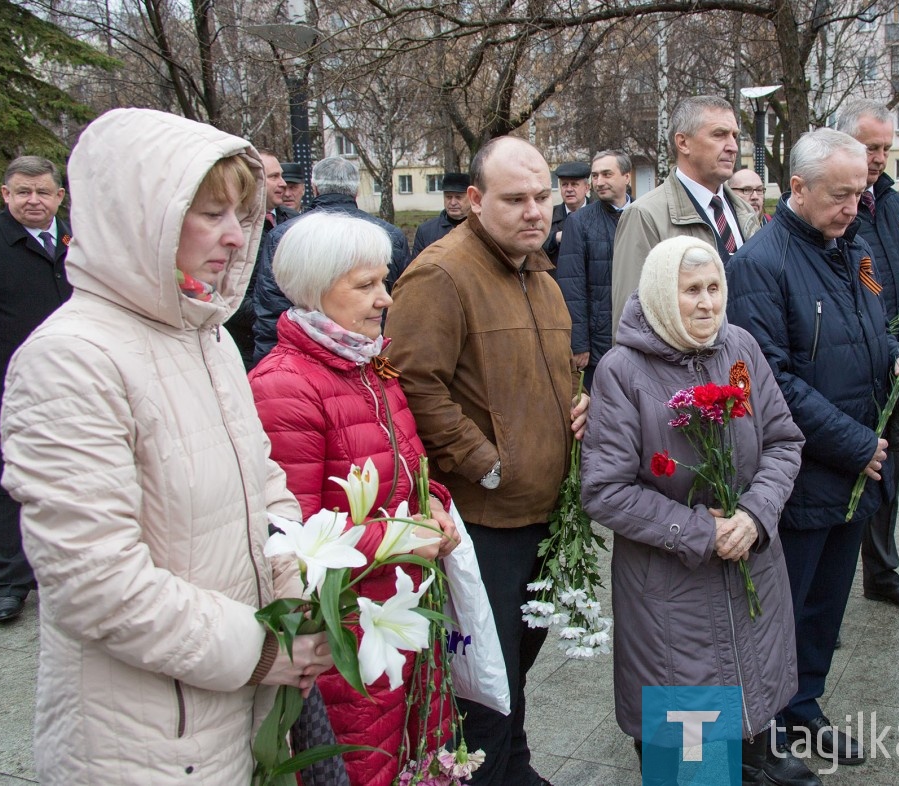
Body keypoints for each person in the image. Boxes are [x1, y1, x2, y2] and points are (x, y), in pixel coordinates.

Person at [0, 108, 333, 785]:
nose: (237, 239)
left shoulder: (203, 335)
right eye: (210, 213)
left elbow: (263, 485)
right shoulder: (71, 360)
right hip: (144, 737)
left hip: (233, 704)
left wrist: (295, 594)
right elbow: (96, 583)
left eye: (243, 215)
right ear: (138, 215)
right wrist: (265, 650)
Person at [384, 136, 589, 786]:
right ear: (474, 201)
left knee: (514, 670)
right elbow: (412, 382)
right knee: (481, 686)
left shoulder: (539, 271)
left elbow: (551, 375)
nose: (535, 211)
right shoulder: (441, 274)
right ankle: (489, 772)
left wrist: (576, 407)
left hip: (539, 515)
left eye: (542, 197)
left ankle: (513, 769)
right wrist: (484, 461)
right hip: (481, 524)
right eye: (515, 199)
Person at [726, 128, 899, 786]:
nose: (853, 206)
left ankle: (805, 702)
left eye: (861, 192)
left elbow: (871, 328)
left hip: (855, 468)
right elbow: (771, 381)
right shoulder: (762, 263)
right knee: (789, 604)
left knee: (827, 604)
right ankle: (770, 720)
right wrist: (854, 442)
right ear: (799, 188)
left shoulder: (852, 246)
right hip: (805, 473)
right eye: (841, 195)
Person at [249, 211, 461, 786]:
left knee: (400, 759)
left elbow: (405, 463)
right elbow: (293, 535)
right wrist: (399, 536)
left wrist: (435, 502)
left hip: (392, 604)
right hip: (345, 629)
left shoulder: (367, 365)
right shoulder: (286, 386)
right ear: (317, 290)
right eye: (365, 285)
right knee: (360, 763)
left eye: (382, 281)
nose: (385, 298)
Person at [582, 236, 804, 784]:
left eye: (713, 288)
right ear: (660, 294)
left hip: (751, 567)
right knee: (691, 760)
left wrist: (754, 515)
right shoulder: (623, 370)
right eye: (691, 291)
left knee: (751, 701)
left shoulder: (741, 349)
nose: (707, 304)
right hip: (672, 590)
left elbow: (783, 441)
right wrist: (697, 530)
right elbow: (604, 490)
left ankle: (753, 761)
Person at [836, 99, 899, 615]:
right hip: (865, 364)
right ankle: (827, 589)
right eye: (870, 146)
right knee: (860, 473)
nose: (879, 158)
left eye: (884, 149)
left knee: (892, 470)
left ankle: (881, 574)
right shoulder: (843, 207)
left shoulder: (891, 201)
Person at [0, 155, 71, 623]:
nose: (33, 200)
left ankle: (66, 574)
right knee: (7, 481)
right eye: (23, 192)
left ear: (60, 196)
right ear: (6, 195)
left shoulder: (78, 241)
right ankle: (11, 582)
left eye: (43, 192)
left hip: (76, 380)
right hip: (7, 383)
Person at [611, 95, 760, 338]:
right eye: (719, 134)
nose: (733, 146)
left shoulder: (745, 213)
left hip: (746, 367)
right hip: (687, 373)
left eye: (734, 135)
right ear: (683, 143)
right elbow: (632, 326)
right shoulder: (645, 216)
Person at [252, 156, 409, 363]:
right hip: (371, 358)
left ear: (314, 188)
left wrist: (267, 363)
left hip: (304, 361)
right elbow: (403, 304)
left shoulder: (284, 235)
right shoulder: (390, 235)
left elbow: (271, 311)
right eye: (366, 284)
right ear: (356, 191)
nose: (383, 298)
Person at [556, 149, 632, 391]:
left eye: (607, 174)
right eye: (595, 176)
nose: (599, 182)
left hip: (640, 334)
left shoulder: (644, 216)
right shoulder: (579, 222)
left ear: (627, 177)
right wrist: (579, 344)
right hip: (600, 340)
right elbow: (572, 286)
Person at [223, 150, 298, 370]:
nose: (283, 183)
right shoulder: (232, 229)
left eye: (282, 175)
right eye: (274, 177)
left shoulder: (295, 222)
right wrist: (281, 314)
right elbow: (228, 297)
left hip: (289, 346)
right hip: (245, 350)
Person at [411, 172, 472, 259]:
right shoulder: (426, 231)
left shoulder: (483, 228)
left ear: (471, 197)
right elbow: (416, 268)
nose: (453, 203)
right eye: (448, 197)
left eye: (458, 197)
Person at [543, 160, 591, 264]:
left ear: (587, 188)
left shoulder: (600, 214)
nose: (569, 189)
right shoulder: (547, 215)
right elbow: (534, 247)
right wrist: (554, 238)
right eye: (564, 184)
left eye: (574, 184)